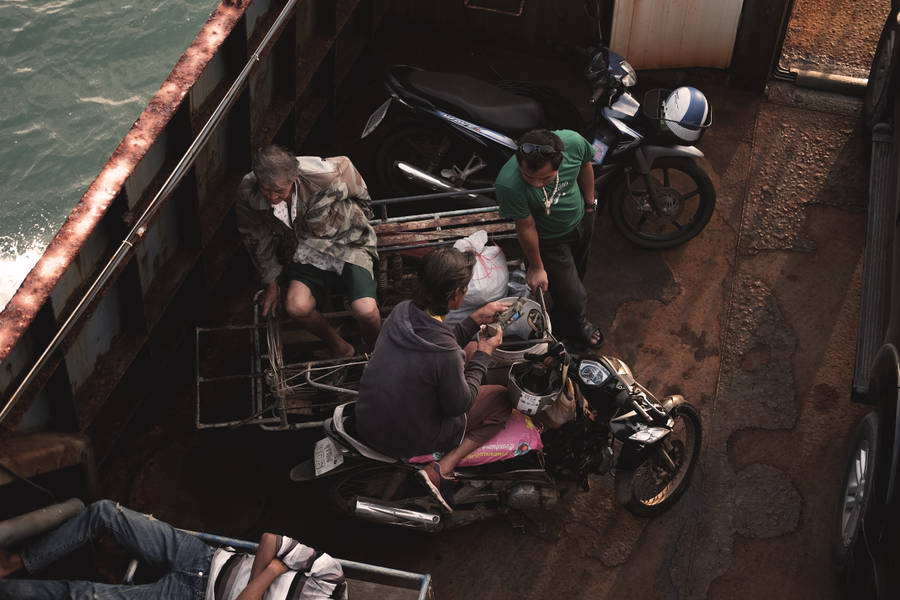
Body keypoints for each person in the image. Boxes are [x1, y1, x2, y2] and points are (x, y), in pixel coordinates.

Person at [355, 247, 512, 512]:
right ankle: (442, 468)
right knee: (501, 399)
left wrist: (474, 320)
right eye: (465, 287)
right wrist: (485, 354)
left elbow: (440, 344)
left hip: (370, 415)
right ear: (454, 295)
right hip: (405, 436)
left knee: (470, 351)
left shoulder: (402, 312)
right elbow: (459, 405)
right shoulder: (446, 354)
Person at [0, 499, 345, 600]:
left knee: (84, 594)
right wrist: (256, 587)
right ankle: (18, 561)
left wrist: (270, 571)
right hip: (202, 557)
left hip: (186, 595)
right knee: (106, 513)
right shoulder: (330, 577)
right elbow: (271, 538)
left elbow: (271, 556)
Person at [236, 145, 381, 356]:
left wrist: (365, 215)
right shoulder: (248, 191)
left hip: (347, 241)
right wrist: (271, 280)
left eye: (279, 191)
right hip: (305, 248)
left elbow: (354, 181)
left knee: (366, 311)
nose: (272, 197)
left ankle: (377, 354)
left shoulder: (322, 175)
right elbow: (255, 235)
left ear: (293, 179)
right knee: (296, 307)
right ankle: (341, 347)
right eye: (266, 190)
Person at [494, 128, 603, 349]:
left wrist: (590, 205)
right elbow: (526, 225)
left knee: (577, 274)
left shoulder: (573, 142)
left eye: (545, 178)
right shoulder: (509, 183)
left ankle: (563, 315)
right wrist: (536, 266)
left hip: (582, 220)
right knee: (575, 297)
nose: (536, 184)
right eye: (529, 177)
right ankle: (576, 327)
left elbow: (585, 166)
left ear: (560, 162)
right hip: (550, 240)